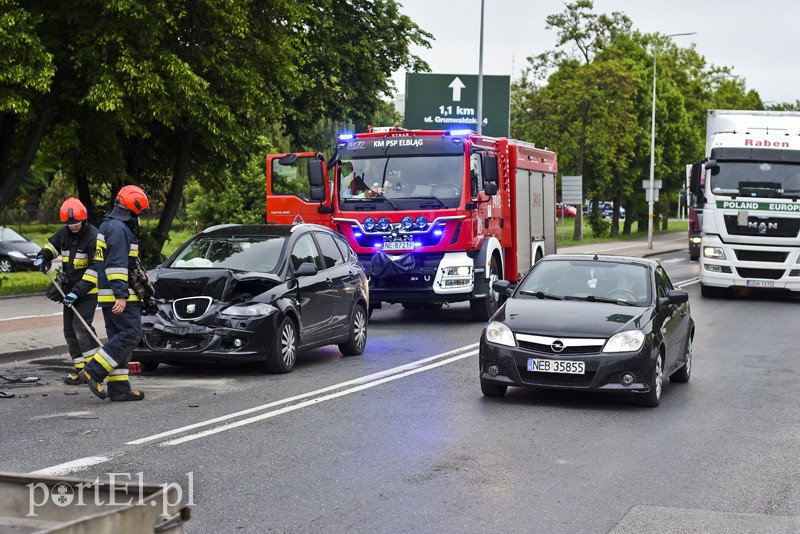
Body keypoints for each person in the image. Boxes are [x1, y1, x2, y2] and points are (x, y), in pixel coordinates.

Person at [80, 185, 149, 402]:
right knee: (131, 334)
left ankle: (119, 388)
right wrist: (121, 294)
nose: (139, 216)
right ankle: (94, 371)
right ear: (133, 208)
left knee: (119, 339)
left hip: (108, 294)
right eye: (139, 212)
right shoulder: (120, 229)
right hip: (121, 295)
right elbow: (116, 264)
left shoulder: (107, 225)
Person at [34, 198, 100, 385]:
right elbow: (51, 247)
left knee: (81, 328)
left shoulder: (93, 237)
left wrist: (77, 293)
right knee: (69, 330)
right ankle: (80, 371)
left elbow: (95, 269)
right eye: (69, 224)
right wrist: (42, 257)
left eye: (76, 224)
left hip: (88, 292)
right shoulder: (65, 232)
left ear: (84, 220)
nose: (73, 227)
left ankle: (93, 369)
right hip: (69, 291)